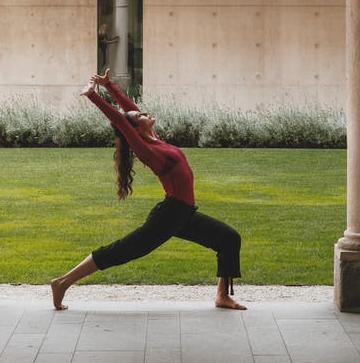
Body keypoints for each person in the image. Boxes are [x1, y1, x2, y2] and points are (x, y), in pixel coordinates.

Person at [51, 69, 246, 311]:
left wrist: (110, 86)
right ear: (135, 129)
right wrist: (94, 96)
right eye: (140, 115)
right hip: (170, 214)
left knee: (228, 239)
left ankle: (222, 296)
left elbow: (129, 112)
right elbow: (122, 120)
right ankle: (62, 282)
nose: (144, 112)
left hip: (183, 214)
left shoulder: (154, 138)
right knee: (124, 250)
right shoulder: (148, 151)